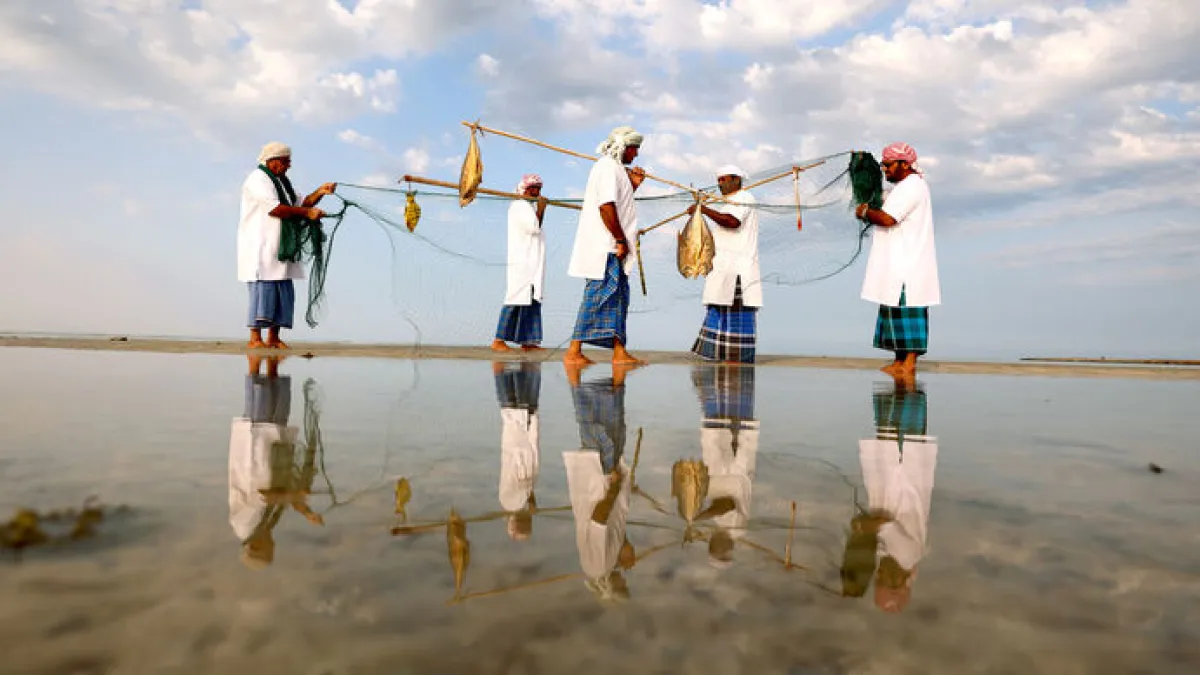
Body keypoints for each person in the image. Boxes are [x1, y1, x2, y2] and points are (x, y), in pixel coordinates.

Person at [238, 142, 337, 349]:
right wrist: (306, 214)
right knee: (262, 287)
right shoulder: (258, 180)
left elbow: (302, 203)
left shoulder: (282, 182)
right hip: (261, 245)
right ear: (272, 161)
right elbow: (276, 209)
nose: (289, 165)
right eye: (285, 161)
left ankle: (273, 338)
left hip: (281, 246)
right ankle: (255, 339)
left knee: (282, 288)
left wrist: (320, 191)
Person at [228, 355, 323, 570]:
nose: (273, 544)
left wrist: (295, 496)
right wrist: (307, 512)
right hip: (273, 455)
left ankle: (254, 360)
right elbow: (282, 499)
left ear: (256, 547)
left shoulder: (243, 527)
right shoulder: (267, 526)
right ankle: (272, 363)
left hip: (255, 451)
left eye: (270, 549)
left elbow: (265, 496)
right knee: (278, 401)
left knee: (259, 400)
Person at [564, 127, 647, 366]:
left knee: (619, 298)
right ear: (624, 147)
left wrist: (634, 185)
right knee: (596, 295)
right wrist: (619, 240)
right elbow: (606, 207)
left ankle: (619, 352)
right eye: (634, 149)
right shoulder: (607, 167)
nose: (636, 155)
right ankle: (573, 351)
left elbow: (619, 201)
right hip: (606, 247)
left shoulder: (618, 170)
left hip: (616, 247)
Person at [855, 142, 940, 376]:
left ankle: (909, 363)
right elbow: (883, 210)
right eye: (883, 165)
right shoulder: (902, 188)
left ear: (904, 164)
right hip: (897, 262)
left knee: (907, 308)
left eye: (888, 165)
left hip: (908, 263)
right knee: (894, 308)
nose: (884, 170)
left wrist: (865, 212)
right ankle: (899, 360)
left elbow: (888, 219)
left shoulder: (913, 186)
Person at [563, 362, 638, 601]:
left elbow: (598, 519)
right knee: (613, 409)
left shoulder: (596, 568)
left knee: (593, 414)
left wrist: (615, 485)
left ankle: (576, 372)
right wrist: (624, 546)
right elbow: (612, 526)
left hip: (601, 474)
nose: (624, 580)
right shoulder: (608, 563)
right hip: (609, 475)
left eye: (622, 586)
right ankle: (605, 370)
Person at [688, 165, 762, 364]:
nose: (720, 183)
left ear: (736, 180)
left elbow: (732, 222)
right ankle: (720, 360)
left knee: (735, 318)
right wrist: (700, 211)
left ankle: (735, 362)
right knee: (719, 311)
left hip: (738, 270)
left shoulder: (745, 198)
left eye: (724, 179)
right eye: (718, 180)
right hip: (722, 268)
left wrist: (703, 210)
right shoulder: (726, 202)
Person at [491, 175, 549, 352]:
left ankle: (528, 342)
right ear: (524, 190)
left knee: (531, 300)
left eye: (539, 189)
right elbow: (534, 227)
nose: (537, 193)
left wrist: (538, 207)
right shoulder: (520, 206)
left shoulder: (527, 207)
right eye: (533, 189)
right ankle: (498, 340)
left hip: (532, 262)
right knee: (515, 299)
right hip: (522, 262)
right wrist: (541, 208)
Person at [493, 361, 541, 540]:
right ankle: (523, 360)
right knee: (528, 371)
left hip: (518, 427)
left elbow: (523, 487)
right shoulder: (517, 500)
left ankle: (511, 360)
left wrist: (530, 507)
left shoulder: (511, 502)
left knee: (512, 377)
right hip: (523, 424)